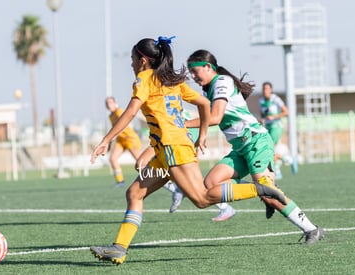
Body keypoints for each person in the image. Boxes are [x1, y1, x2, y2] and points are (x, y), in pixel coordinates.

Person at [89, 37, 285, 265]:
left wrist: (106, 140)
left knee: (201, 199)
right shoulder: (171, 80)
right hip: (166, 153)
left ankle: (261, 189)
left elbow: (131, 112)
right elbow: (203, 104)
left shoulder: (143, 78)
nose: (132, 65)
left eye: (133, 60)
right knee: (134, 194)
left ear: (143, 61)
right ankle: (119, 248)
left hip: (173, 150)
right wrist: (201, 134)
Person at [186, 49, 324, 243]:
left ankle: (312, 229)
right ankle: (262, 190)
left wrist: (182, 124)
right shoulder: (209, 88)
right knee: (211, 184)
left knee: (270, 196)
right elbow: (209, 117)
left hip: (256, 142)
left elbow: (215, 117)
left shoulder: (222, 82)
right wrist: (199, 132)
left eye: (195, 71)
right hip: (241, 149)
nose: (192, 76)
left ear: (208, 67)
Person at [105, 96, 142, 187]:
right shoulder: (111, 116)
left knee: (140, 161)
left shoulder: (119, 111)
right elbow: (114, 129)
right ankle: (120, 181)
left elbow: (123, 125)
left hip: (130, 138)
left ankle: (153, 176)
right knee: (112, 159)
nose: (108, 105)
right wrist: (109, 143)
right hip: (120, 140)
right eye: (107, 103)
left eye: (110, 102)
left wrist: (113, 136)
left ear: (115, 103)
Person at [259, 82, 288, 179]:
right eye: (264, 89)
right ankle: (287, 159)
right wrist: (262, 119)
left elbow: (286, 112)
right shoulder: (261, 100)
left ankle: (277, 171)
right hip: (267, 128)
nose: (265, 91)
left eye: (267, 89)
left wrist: (274, 117)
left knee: (269, 148)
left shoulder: (275, 99)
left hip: (276, 127)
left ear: (271, 90)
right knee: (269, 149)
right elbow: (262, 115)